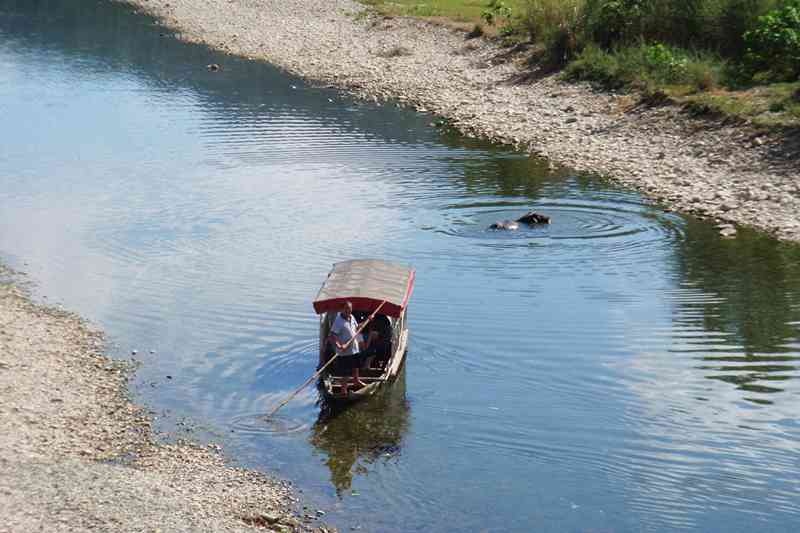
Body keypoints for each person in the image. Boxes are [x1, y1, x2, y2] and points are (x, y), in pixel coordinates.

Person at [328, 301, 379, 391]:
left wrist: (367, 320)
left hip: (354, 349)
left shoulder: (351, 317)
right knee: (345, 373)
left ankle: (356, 380)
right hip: (345, 352)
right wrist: (339, 346)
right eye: (346, 308)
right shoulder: (338, 321)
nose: (348, 310)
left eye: (350, 308)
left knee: (356, 367)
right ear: (342, 309)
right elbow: (332, 335)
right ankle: (344, 389)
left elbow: (357, 328)